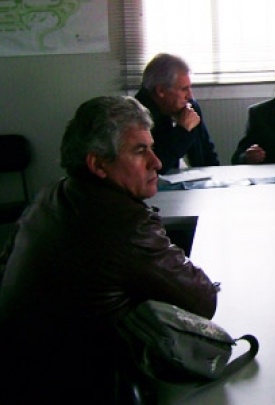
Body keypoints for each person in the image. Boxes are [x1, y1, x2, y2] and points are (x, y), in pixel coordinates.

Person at [0, 96, 219, 404]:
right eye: (140, 151)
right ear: (98, 164)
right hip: (84, 386)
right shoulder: (125, 224)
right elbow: (203, 301)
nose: (156, 162)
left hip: (20, 374)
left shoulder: (48, 194)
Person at [135, 53, 220, 174]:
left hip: (197, 185)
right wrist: (183, 131)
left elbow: (208, 154)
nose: (190, 95)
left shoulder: (191, 106)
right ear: (161, 91)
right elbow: (157, 167)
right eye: (184, 89)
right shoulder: (136, 116)